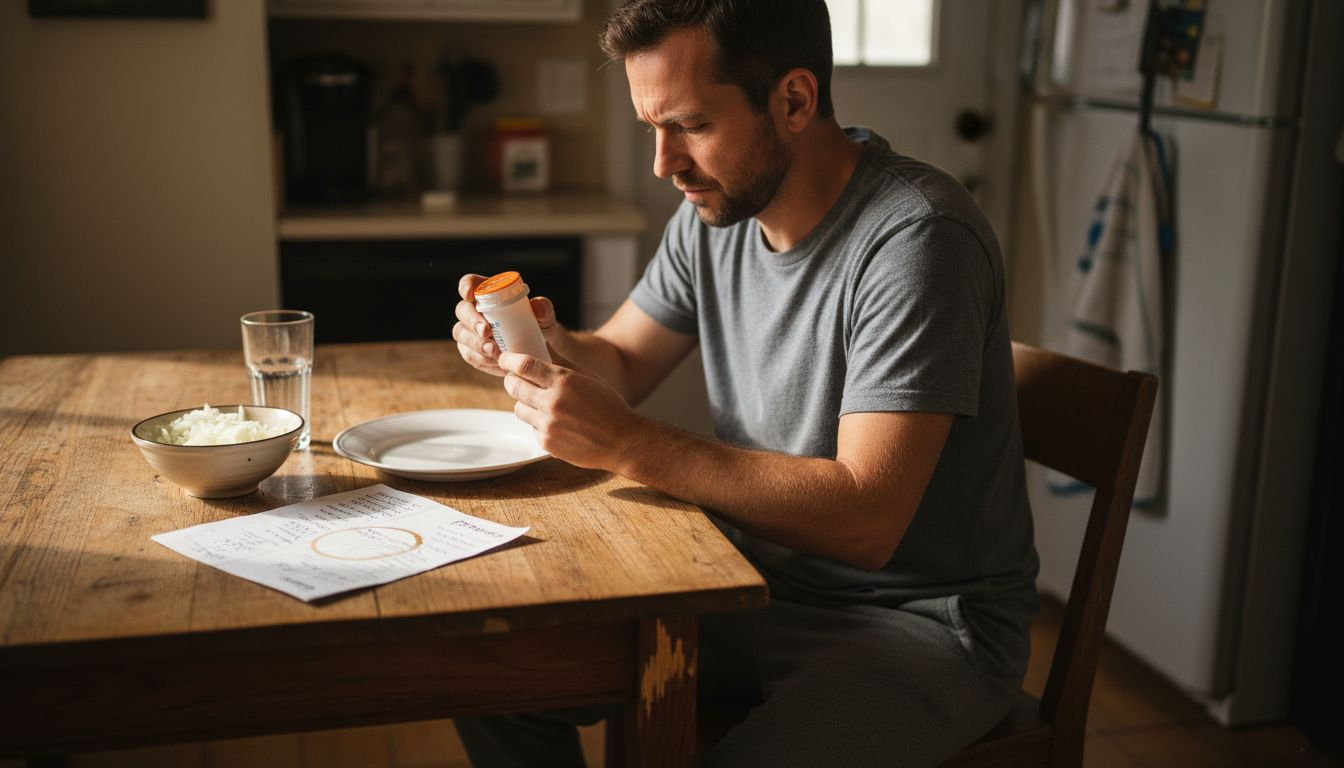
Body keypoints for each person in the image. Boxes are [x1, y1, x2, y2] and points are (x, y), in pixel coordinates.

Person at [450, 0, 1039, 765]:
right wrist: (540, 341)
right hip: (747, 579)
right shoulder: (714, 218)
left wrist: (628, 443)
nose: (664, 164)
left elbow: (868, 519)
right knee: (490, 676)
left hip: (920, 623)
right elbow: (624, 360)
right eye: (651, 128)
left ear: (794, 100)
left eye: (690, 126)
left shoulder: (919, 239)